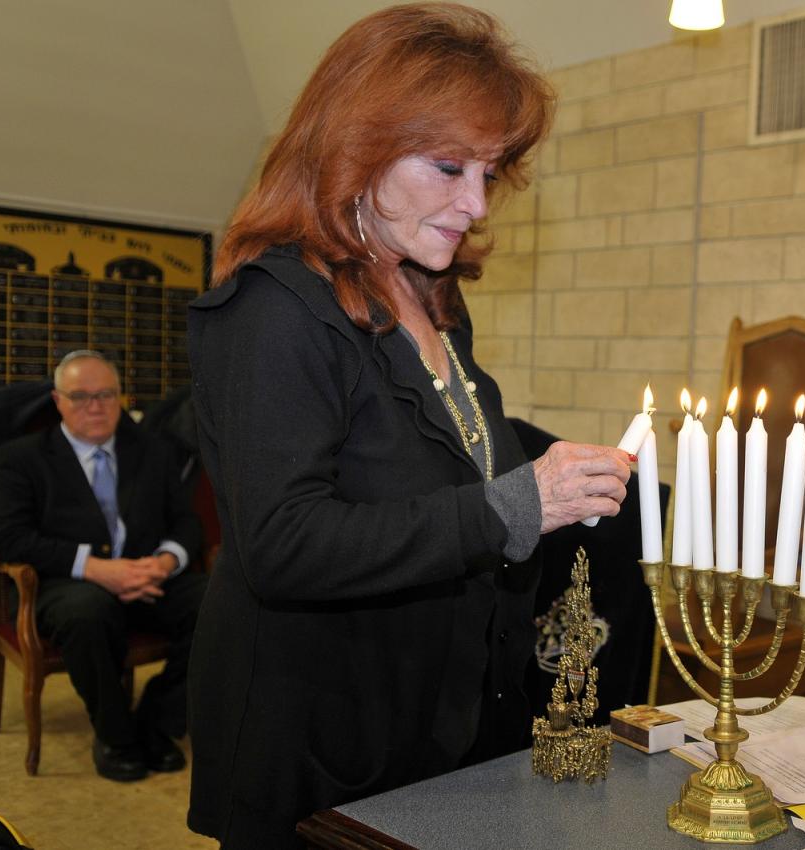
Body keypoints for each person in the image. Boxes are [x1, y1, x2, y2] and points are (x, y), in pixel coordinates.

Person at [184, 5, 632, 846]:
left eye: (488, 174)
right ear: (359, 146)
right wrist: (518, 503)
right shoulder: (272, 309)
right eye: (448, 166)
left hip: (442, 727)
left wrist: (563, 483)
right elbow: (282, 542)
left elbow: (439, 471)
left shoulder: (432, 302)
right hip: (324, 740)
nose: (475, 204)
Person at [0, 350, 204, 782]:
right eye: (81, 395)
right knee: (89, 613)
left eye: (106, 394)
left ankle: (158, 724)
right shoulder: (20, 457)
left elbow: (187, 521)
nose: (96, 406)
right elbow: (7, 539)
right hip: (64, 584)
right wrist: (98, 569)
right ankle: (116, 736)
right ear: (58, 401)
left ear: (120, 397)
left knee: (219, 603)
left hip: (146, 576)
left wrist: (164, 561)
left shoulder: (153, 450)